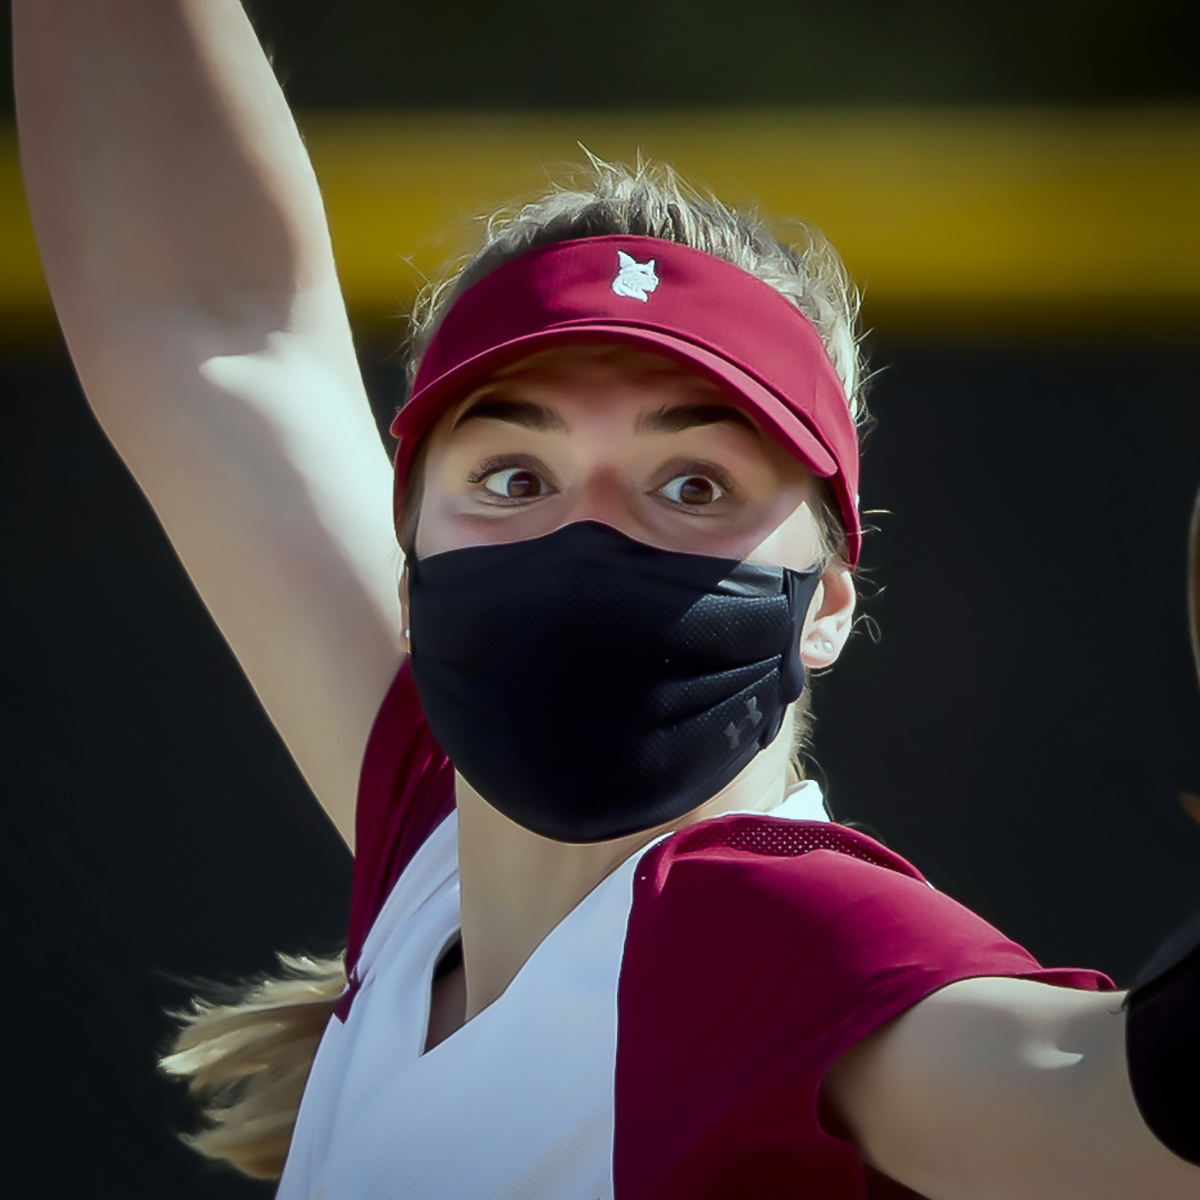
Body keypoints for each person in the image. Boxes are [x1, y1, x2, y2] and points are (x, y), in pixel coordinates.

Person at [14, 3, 1200, 1197]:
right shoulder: (440, 852)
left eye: (692, 483)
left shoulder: (781, 948)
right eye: (514, 477)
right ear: (409, 567)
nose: (583, 539)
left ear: (828, 599)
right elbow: (205, 319)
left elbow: (1106, 1120)